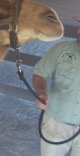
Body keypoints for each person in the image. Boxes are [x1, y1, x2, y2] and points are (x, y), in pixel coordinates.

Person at [32, 17, 80, 156]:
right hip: (56, 124)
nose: (78, 31)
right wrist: (41, 92)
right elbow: (40, 73)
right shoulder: (61, 49)